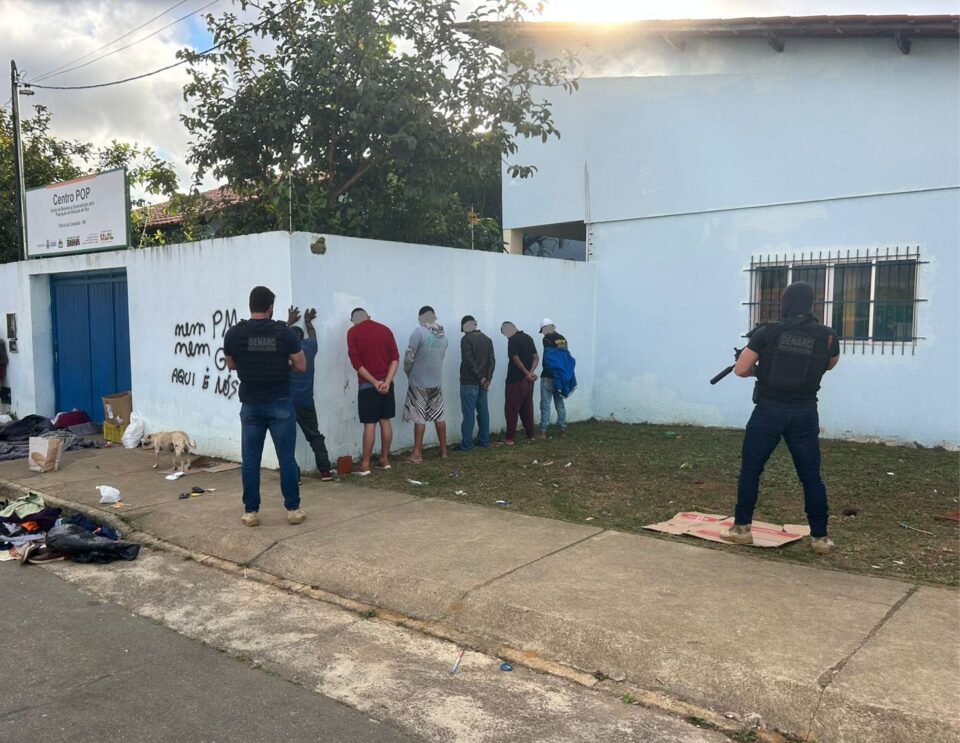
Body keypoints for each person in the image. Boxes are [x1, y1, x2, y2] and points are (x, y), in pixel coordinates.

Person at [720, 281, 841, 555]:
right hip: (805, 413)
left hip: (768, 412)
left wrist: (762, 371)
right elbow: (829, 364)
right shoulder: (828, 336)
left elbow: (740, 370)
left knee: (751, 470)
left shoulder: (768, 332)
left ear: (785, 302)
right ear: (811, 303)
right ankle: (820, 538)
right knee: (811, 476)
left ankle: (741, 530)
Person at [224, 286, 306, 528]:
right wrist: (282, 366)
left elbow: (231, 365)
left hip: (250, 405)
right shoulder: (284, 332)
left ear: (251, 306)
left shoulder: (234, 334)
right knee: (286, 458)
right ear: (271, 307)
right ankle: (293, 510)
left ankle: (251, 512)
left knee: (250, 461)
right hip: (280, 403)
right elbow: (301, 366)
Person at [346, 308, 399, 475]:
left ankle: (366, 464)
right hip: (387, 384)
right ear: (369, 316)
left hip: (368, 385)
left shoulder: (353, 333)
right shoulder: (385, 329)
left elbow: (357, 363)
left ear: (353, 320)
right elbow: (395, 358)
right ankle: (384, 459)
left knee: (370, 424)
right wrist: (387, 382)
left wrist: (375, 382)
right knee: (385, 421)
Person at [287, 306, 334, 482]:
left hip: (287, 401)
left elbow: (278, 338)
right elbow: (313, 335)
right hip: (306, 401)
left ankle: (294, 475)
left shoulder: (286, 350)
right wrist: (308, 321)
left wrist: (289, 321)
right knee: (314, 435)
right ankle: (325, 471)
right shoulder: (309, 347)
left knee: (286, 439)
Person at [402, 306, 449, 463]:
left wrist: (408, 372)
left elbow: (410, 356)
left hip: (419, 381)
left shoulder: (418, 332)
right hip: (436, 381)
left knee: (419, 417)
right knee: (439, 416)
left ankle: (417, 453)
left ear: (422, 317)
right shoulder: (443, 336)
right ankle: (444, 451)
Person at [453, 315, 495, 452]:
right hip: (483, 383)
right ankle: (484, 441)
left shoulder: (466, 339)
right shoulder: (487, 339)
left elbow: (468, 361)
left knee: (469, 414)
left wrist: (481, 377)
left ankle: (466, 444)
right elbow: (492, 361)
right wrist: (487, 379)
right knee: (483, 412)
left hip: (469, 381)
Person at [500, 321, 538, 446]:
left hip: (515, 380)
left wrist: (526, 373)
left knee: (511, 409)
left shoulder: (512, 340)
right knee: (527, 408)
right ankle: (530, 435)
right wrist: (531, 373)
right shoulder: (528, 337)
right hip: (528, 381)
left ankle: (510, 438)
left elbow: (515, 358)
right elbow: (536, 357)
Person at [537, 318, 574, 438]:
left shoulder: (546, 339)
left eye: (542, 330)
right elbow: (564, 357)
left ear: (546, 328)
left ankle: (543, 431)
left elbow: (549, 357)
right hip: (560, 376)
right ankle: (563, 429)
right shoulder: (563, 339)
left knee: (545, 404)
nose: (542, 333)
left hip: (548, 376)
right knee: (559, 403)